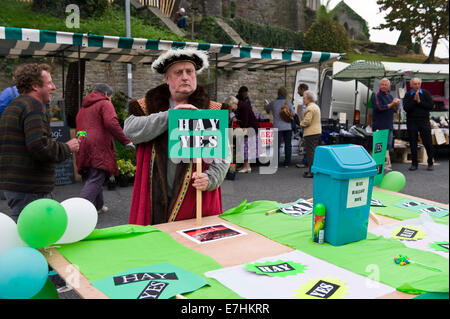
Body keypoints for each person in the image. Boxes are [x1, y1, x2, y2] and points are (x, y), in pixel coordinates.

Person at [124, 48, 229, 226]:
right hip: (154, 196)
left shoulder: (211, 110)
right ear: (167, 78)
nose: (185, 77)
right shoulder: (146, 106)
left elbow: (223, 156)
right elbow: (130, 130)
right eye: (178, 72)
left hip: (195, 195)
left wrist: (211, 178)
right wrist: (170, 116)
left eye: (189, 72)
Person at [0, 63, 80, 222]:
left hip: (16, 185)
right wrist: (67, 147)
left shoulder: (13, 107)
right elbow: (39, 146)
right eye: (49, 82)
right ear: (35, 86)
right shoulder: (33, 106)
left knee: (25, 233)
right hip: (30, 187)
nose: (54, 87)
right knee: (34, 238)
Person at [75, 84, 134, 213]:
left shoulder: (83, 108)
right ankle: (78, 210)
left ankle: (98, 206)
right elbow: (111, 123)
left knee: (93, 175)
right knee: (97, 177)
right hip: (98, 144)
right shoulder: (105, 103)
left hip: (82, 142)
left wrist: (82, 141)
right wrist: (126, 140)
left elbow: (79, 128)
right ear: (107, 94)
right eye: (111, 97)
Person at [403, 77, 434, 171]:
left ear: (420, 84)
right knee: (413, 142)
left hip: (424, 120)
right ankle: (414, 163)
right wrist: (414, 100)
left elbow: (430, 106)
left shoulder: (425, 93)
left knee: (427, 142)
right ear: (411, 85)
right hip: (412, 121)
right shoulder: (408, 95)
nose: (417, 86)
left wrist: (420, 102)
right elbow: (406, 108)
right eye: (415, 84)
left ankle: (430, 163)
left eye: (418, 84)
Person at [372, 78, 401, 172]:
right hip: (379, 126)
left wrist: (396, 104)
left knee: (387, 147)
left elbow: (395, 110)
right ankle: (376, 166)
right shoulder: (376, 95)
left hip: (388, 126)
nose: (384, 86)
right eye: (382, 84)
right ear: (379, 86)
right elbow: (380, 108)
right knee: (379, 147)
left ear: (388, 87)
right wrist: (392, 103)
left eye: (386, 85)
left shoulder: (390, 96)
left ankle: (382, 165)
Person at [264, 87, 294, 168]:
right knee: (288, 144)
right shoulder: (288, 103)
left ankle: (275, 162)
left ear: (278, 93)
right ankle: (287, 163)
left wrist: (266, 103)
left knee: (276, 145)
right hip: (288, 127)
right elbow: (293, 114)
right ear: (285, 94)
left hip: (277, 127)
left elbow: (266, 109)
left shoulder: (273, 103)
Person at [235, 86, 259, 173]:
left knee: (246, 147)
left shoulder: (243, 106)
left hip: (250, 128)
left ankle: (247, 166)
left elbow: (245, 120)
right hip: (251, 127)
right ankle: (246, 166)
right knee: (245, 146)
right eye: (245, 92)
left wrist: (238, 123)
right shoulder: (243, 104)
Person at [300, 90, 321, 178]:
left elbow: (307, 122)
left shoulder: (309, 108)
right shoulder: (315, 106)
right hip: (317, 132)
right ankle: (313, 170)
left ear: (308, 99)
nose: (303, 100)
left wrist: (300, 124)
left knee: (310, 153)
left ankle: (311, 172)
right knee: (314, 153)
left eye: (304, 98)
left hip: (311, 133)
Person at [295, 83, 309, 168]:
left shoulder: (307, 100)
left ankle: (305, 162)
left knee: (306, 144)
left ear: (303, 89)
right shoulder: (307, 99)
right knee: (306, 144)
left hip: (307, 127)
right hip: (306, 126)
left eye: (298, 89)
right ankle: (305, 162)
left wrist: (301, 124)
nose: (297, 91)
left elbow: (305, 114)